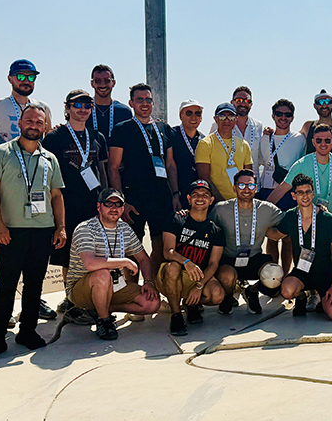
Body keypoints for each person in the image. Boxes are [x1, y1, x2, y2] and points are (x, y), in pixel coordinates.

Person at [0, 104, 66, 360]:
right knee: (6, 285)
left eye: (39, 122)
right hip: (11, 231)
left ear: (45, 127)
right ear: (20, 123)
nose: (34, 126)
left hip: (42, 232)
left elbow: (56, 195)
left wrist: (60, 227)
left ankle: (27, 331)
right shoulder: (1, 153)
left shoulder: (50, 158)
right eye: (29, 121)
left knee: (34, 285)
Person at [43, 90, 109, 324]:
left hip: (93, 206)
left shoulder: (97, 136)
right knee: (68, 257)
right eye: (77, 104)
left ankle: (87, 299)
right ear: (67, 107)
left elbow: (103, 170)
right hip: (66, 204)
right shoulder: (54, 137)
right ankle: (72, 303)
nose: (83, 109)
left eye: (87, 104)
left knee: (92, 254)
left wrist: (107, 199)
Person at [65, 188, 162, 340]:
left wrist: (149, 281)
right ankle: (105, 322)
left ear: (123, 208)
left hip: (115, 286)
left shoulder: (124, 228)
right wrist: (125, 262)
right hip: (82, 289)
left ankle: (100, 308)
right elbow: (90, 263)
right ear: (99, 207)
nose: (114, 208)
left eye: (118, 204)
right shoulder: (86, 228)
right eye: (108, 204)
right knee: (102, 274)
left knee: (153, 303)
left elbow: (143, 258)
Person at [108, 83, 180, 277]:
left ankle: (153, 288)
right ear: (131, 103)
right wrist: (121, 200)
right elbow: (113, 167)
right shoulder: (122, 129)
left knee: (161, 244)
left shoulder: (164, 128)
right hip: (134, 197)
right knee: (132, 247)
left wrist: (175, 194)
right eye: (140, 99)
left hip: (161, 197)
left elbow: (171, 165)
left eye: (148, 99)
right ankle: (134, 295)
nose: (145, 103)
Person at [265, 174, 332, 319]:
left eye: (308, 192)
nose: (305, 196)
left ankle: (322, 298)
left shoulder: (328, 219)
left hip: (325, 274)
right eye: (300, 192)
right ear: (293, 196)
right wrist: (260, 226)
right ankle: (302, 297)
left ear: (313, 194)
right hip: (302, 272)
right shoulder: (290, 216)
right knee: (287, 291)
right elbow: (275, 235)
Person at [157, 181, 226, 335]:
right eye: (195, 195)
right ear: (188, 199)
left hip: (196, 277)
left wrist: (199, 286)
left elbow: (213, 264)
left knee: (217, 294)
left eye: (204, 195)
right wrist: (186, 262)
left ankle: (191, 304)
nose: (200, 198)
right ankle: (176, 315)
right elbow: (168, 251)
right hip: (172, 274)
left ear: (211, 200)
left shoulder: (215, 230)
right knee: (173, 266)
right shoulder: (176, 219)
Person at [214, 168, 285, 315]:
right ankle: (227, 296)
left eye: (251, 185)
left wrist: (316, 211)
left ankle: (252, 292)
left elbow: (291, 219)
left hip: (254, 258)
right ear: (234, 188)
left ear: (256, 188)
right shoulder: (221, 209)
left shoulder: (267, 209)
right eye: (241, 185)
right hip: (229, 260)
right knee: (227, 277)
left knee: (275, 273)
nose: (246, 189)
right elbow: (203, 227)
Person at [267, 124, 332, 218]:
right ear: (313, 142)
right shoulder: (301, 164)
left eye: (327, 140)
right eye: (319, 140)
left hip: (331, 219)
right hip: (306, 219)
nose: (323, 144)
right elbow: (282, 188)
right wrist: (262, 210)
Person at [195, 103, 253, 202]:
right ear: (215, 119)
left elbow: (248, 176)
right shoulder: (205, 143)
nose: (226, 120)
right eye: (222, 117)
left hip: (240, 202)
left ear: (236, 119)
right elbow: (204, 177)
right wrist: (222, 202)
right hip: (216, 202)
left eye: (231, 117)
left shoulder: (244, 144)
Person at [0, 59, 53, 141]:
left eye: (31, 77)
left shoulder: (43, 108)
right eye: (21, 77)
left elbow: (48, 139)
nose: (26, 81)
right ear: (10, 79)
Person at [258, 99, 307, 207]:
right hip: (265, 190)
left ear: (293, 118)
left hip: (289, 192)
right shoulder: (264, 138)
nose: (283, 117)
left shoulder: (300, 139)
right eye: (279, 114)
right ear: (273, 116)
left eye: (287, 114)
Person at [210, 86, 265, 163]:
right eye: (239, 100)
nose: (243, 104)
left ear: (251, 104)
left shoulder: (258, 126)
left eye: (247, 101)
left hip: (252, 174)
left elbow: (261, 157)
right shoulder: (218, 125)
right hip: (226, 174)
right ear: (232, 102)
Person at [87, 64, 133, 143]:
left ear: (113, 83)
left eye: (107, 81)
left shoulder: (124, 112)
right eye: (97, 81)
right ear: (92, 83)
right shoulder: (84, 110)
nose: (102, 84)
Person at [171, 99, 205, 198]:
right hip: (177, 193)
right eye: (189, 113)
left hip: (198, 195)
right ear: (181, 116)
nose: (194, 117)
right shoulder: (171, 135)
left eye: (198, 113)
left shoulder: (204, 139)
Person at [301, 89, 332, 155]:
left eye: (328, 101)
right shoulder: (307, 127)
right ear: (315, 106)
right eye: (320, 102)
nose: (324, 105)